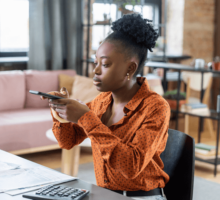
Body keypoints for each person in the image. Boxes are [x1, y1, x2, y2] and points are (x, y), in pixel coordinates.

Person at [41, 13, 170, 200]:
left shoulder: (156, 107)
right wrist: (59, 111)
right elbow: (67, 141)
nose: (95, 71)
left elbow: (131, 166)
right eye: (96, 63)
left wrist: (86, 118)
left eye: (105, 64)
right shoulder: (102, 101)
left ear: (130, 69)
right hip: (104, 195)